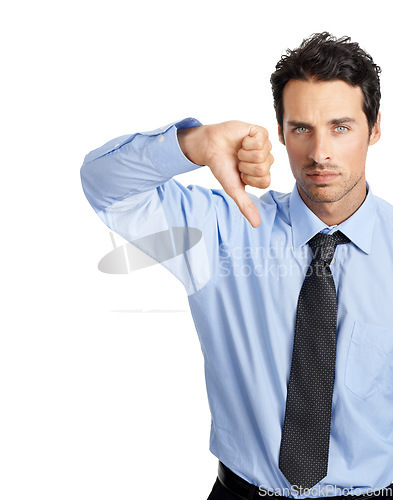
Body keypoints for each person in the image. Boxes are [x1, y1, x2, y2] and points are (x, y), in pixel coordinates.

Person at [80, 32, 393, 499]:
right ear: (282, 132)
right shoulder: (224, 230)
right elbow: (105, 186)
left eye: (341, 127)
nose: (319, 153)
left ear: (373, 129)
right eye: (301, 128)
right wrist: (192, 144)